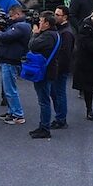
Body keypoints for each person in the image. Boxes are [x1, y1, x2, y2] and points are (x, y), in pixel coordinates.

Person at [0, 4, 31, 125]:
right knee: (8, 89)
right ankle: (11, 111)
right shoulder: (16, 25)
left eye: (11, 16)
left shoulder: (21, 27)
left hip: (10, 61)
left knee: (10, 90)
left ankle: (18, 115)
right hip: (7, 60)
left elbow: (5, 37)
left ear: (18, 14)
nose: (9, 18)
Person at [27, 11, 63, 139]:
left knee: (44, 101)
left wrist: (35, 34)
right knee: (46, 99)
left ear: (47, 24)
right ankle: (43, 125)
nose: (39, 23)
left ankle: (45, 127)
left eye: (41, 21)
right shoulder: (55, 34)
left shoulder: (47, 36)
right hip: (50, 70)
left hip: (44, 72)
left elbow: (32, 45)